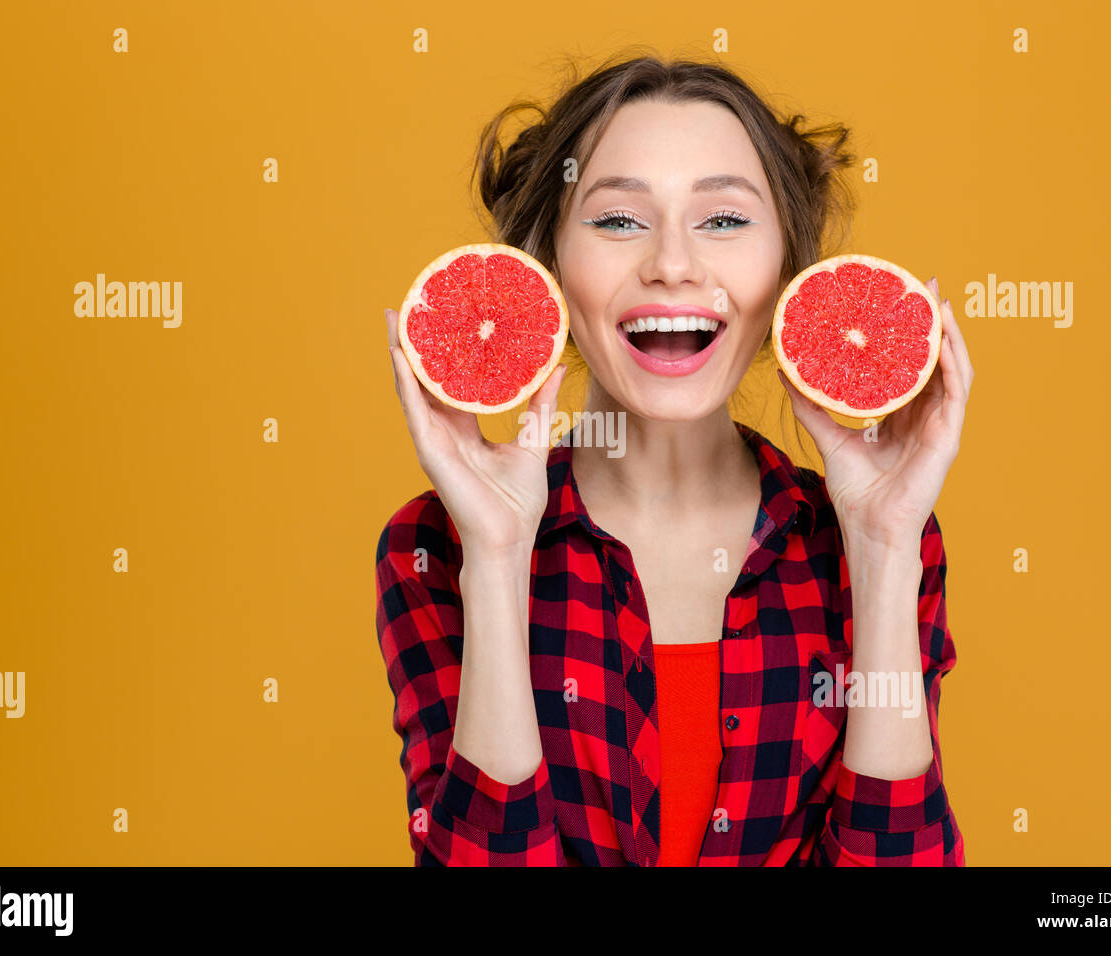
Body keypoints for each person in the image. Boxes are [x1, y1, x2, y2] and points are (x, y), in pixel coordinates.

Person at [375, 52, 973, 865]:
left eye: (724, 220)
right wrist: (499, 556)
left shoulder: (875, 543)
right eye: (618, 220)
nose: (674, 263)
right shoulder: (433, 550)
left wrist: (883, 550)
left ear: (787, 269)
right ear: (546, 263)